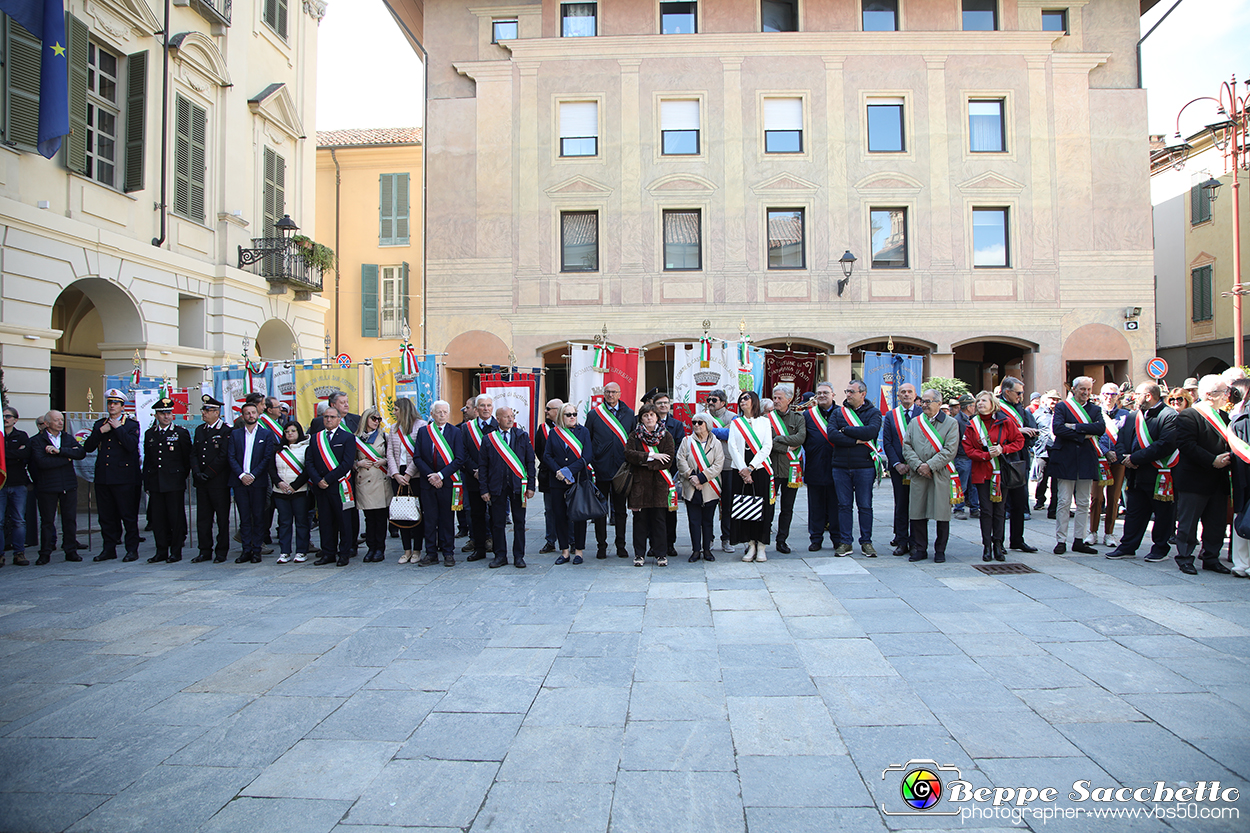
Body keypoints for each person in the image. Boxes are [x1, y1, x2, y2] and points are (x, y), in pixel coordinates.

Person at [1107, 382, 1178, 563]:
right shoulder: (1133, 416)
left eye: (1137, 394)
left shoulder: (1169, 416)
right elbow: (1121, 439)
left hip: (1158, 474)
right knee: (1134, 512)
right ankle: (1128, 546)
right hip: (1135, 474)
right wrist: (1125, 458)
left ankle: (1160, 548)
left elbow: (1165, 444)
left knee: (1162, 513)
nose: (1132, 398)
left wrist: (1135, 458)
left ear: (1148, 396)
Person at [1172, 375, 1236, 576]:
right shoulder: (1189, 416)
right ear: (1208, 395)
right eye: (1224, 392)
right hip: (1195, 478)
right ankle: (1184, 557)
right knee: (1189, 523)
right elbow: (1187, 445)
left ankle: (1211, 557)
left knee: (1216, 523)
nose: (1227, 396)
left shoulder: (1224, 417)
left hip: (1218, 480)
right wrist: (1212, 460)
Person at [962, 391, 1024, 562]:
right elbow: (968, 449)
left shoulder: (1005, 422)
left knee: (1000, 510)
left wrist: (1003, 449)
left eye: (983, 400)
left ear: (992, 403)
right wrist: (985, 455)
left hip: (1001, 473)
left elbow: (1018, 441)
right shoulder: (972, 425)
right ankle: (987, 546)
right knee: (986, 511)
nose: (980, 403)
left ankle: (998, 544)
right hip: (982, 473)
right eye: (978, 400)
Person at [902, 390, 961, 563]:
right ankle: (920, 549)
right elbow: (907, 446)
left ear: (938, 403)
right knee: (917, 512)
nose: (924, 405)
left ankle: (940, 550)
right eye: (923, 402)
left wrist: (931, 465)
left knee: (942, 513)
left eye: (928, 402)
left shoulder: (950, 423)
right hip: (919, 473)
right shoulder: (915, 422)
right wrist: (919, 466)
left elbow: (950, 449)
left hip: (940, 473)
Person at [1050, 377, 1107, 554]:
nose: (1086, 393)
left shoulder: (1095, 409)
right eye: (1082, 389)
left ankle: (1079, 540)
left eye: (1089, 389)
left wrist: (1074, 427)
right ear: (1074, 389)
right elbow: (1058, 429)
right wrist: (1084, 433)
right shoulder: (1062, 407)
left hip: (1086, 459)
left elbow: (1100, 429)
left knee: (1083, 502)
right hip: (1065, 459)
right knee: (1064, 501)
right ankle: (1061, 540)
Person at [83, 389, 142, 562]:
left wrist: (118, 428)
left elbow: (131, 446)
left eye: (116, 403)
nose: (112, 406)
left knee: (128, 515)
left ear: (123, 406)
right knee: (106, 516)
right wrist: (101, 431)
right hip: (104, 477)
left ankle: (132, 549)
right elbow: (88, 447)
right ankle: (109, 548)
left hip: (125, 478)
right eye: (110, 403)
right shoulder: (100, 424)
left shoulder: (131, 425)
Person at [479, 406, 536, 569]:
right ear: (498, 419)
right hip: (496, 486)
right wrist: (484, 489)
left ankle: (519, 556)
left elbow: (530, 462)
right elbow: (483, 466)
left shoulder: (522, 436)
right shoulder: (489, 439)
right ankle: (500, 555)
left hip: (518, 486)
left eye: (512, 416)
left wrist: (531, 485)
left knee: (519, 521)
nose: (510, 419)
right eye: (506, 417)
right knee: (497, 522)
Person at [830, 380, 882, 556]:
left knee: (865, 506)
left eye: (852, 392)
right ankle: (846, 542)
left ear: (863, 394)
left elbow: (871, 432)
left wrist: (845, 430)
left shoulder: (874, 412)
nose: (848, 395)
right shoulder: (838, 412)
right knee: (844, 505)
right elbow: (832, 435)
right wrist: (855, 440)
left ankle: (866, 542)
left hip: (864, 466)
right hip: (840, 466)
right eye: (847, 391)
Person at [586, 381, 636, 559]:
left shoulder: (629, 413)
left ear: (620, 393)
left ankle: (620, 545)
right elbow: (587, 439)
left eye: (614, 392)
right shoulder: (594, 415)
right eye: (607, 392)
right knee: (600, 510)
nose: (611, 395)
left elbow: (632, 439)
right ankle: (601, 545)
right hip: (600, 469)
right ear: (603, 394)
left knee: (621, 510)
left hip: (621, 470)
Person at [623, 403, 677, 567]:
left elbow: (668, 459)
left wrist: (645, 462)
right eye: (645, 416)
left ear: (657, 417)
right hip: (639, 486)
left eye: (652, 415)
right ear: (641, 418)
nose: (649, 418)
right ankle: (639, 554)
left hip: (660, 484)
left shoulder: (666, 436)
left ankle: (661, 554)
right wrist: (652, 456)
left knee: (659, 521)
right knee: (639, 521)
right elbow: (629, 454)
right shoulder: (634, 435)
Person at [30, 411, 85, 565]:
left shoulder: (66, 437)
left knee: (69, 520)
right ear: (47, 423)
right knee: (47, 521)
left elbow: (80, 453)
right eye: (56, 420)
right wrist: (66, 458)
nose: (60, 423)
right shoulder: (37, 441)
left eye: (61, 420)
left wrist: (60, 452)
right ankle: (45, 552)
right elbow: (42, 463)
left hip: (68, 484)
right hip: (47, 486)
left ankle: (70, 550)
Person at [142, 398, 193, 564]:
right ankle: (161, 550)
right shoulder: (150, 434)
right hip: (156, 482)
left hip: (174, 482)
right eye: (163, 414)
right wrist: (147, 482)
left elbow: (187, 459)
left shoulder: (180, 433)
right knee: (158, 519)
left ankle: (176, 551)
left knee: (175, 518)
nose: (166, 416)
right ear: (156, 415)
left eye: (169, 413)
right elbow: (148, 460)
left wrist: (180, 477)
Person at [414, 400, 464, 567]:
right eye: (439, 412)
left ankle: (448, 552)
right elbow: (417, 457)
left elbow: (459, 459)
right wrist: (431, 476)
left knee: (447, 519)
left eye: (445, 412)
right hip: (428, 482)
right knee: (429, 519)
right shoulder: (423, 432)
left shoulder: (455, 432)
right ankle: (431, 553)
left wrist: (441, 476)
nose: (442, 415)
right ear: (432, 414)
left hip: (447, 482)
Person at [229, 401, 280, 564]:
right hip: (240, 482)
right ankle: (246, 550)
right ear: (242, 416)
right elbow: (231, 456)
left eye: (253, 412)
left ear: (258, 414)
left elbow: (267, 458)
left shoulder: (265, 434)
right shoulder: (235, 434)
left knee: (258, 517)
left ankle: (257, 550)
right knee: (244, 517)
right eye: (247, 413)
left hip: (258, 482)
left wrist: (253, 475)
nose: (251, 416)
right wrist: (242, 475)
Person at [306, 407, 357, 567]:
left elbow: (347, 463)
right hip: (321, 487)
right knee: (325, 522)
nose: (328, 419)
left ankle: (344, 553)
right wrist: (317, 480)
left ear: (339, 419)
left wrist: (327, 479)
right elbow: (309, 461)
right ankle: (328, 553)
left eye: (332, 417)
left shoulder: (347, 437)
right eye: (326, 417)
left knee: (344, 521)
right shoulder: (316, 438)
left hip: (340, 486)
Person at [727, 391, 773, 563]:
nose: (742, 401)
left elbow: (767, 446)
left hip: (760, 469)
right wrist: (743, 470)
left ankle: (761, 546)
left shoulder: (764, 422)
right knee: (745, 508)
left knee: (762, 508)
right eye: (740, 399)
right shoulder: (736, 423)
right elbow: (732, 446)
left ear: (754, 401)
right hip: (740, 470)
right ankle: (750, 544)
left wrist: (752, 467)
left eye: (746, 398)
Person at [544, 403, 592, 564]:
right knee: (560, 516)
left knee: (579, 516)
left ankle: (578, 551)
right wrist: (559, 472)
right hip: (557, 482)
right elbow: (547, 456)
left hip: (578, 480)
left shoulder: (583, 431)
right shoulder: (553, 433)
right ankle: (564, 551)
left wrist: (567, 471)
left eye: (575, 414)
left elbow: (587, 456)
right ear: (561, 417)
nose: (572, 417)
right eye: (568, 414)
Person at [998, 377, 1041, 553]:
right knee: (1001, 503)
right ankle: (998, 542)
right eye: (1018, 393)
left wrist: (1031, 433)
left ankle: (1017, 539)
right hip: (1002, 460)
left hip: (1020, 459)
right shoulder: (997, 408)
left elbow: (1031, 428)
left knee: (1019, 501)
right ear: (1007, 392)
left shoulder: (1021, 410)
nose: (1021, 396)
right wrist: (1017, 431)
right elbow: (995, 432)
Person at [677, 413, 724, 562]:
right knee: (694, 521)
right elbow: (680, 460)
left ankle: (707, 550)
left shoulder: (716, 443)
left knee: (708, 521)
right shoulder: (687, 441)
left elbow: (718, 464)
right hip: (691, 487)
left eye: (700, 423)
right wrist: (692, 476)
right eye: (694, 422)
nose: (696, 425)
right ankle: (696, 550)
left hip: (710, 486)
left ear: (707, 425)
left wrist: (701, 478)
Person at [191, 396, 233, 563]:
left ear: (217, 412)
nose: (204, 413)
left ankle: (221, 551)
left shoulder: (225, 431)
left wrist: (208, 473)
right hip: (202, 482)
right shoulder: (200, 430)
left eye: (207, 410)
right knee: (203, 518)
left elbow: (223, 456)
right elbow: (194, 453)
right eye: (204, 410)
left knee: (222, 518)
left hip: (218, 481)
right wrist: (196, 472)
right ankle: (204, 550)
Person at [881, 383, 921, 557]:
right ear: (898, 396)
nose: (906, 394)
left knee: (918, 505)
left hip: (918, 468)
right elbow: (887, 442)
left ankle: (916, 541)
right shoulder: (891, 415)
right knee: (901, 504)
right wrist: (897, 463)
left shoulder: (922, 414)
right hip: (899, 468)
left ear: (915, 395)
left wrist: (915, 464)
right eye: (903, 392)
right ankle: (902, 540)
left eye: (909, 392)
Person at [386, 397, 427, 564]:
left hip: (414, 474)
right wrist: (396, 474)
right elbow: (389, 452)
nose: (394, 412)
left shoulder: (421, 426)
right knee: (401, 513)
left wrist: (409, 474)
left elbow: (420, 452)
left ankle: (417, 549)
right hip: (398, 473)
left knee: (415, 513)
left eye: (396, 409)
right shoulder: (393, 428)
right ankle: (406, 550)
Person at [1089, 383, 1130, 548]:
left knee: (1114, 497)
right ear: (1100, 395)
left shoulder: (1126, 415)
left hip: (1117, 461)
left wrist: (1117, 454)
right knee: (1096, 497)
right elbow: (1092, 436)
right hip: (1099, 459)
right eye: (1106, 394)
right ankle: (1092, 532)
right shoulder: (1094, 413)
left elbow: (1127, 437)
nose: (1109, 397)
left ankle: (1109, 533)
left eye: (1113, 394)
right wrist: (1106, 451)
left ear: (1118, 396)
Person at [766, 383, 806, 554]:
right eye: (774, 398)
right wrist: (785, 446)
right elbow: (768, 442)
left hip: (792, 470)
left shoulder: (798, 418)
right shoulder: (767, 419)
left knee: (787, 508)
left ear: (789, 400)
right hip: (773, 468)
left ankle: (782, 540)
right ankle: (763, 538)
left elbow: (801, 438)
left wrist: (780, 439)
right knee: (768, 506)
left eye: (779, 398)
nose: (776, 401)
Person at [459, 394, 498, 562]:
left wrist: (489, 472)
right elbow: (463, 453)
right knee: (477, 514)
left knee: (496, 515)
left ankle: (498, 548)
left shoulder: (499, 425)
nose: (486, 408)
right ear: (476, 409)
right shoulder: (466, 428)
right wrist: (474, 470)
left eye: (489, 405)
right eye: (482, 405)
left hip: (495, 479)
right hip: (473, 477)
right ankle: (479, 548)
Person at [802, 382, 841, 552]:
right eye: (819, 393)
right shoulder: (808, 415)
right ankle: (816, 538)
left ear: (833, 395)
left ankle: (837, 539)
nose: (822, 396)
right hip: (815, 465)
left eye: (826, 392)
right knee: (815, 505)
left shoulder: (843, 413)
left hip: (838, 466)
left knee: (836, 505)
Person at [354, 407, 392, 562]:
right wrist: (358, 463)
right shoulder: (355, 438)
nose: (376, 422)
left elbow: (393, 456)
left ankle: (380, 548)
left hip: (380, 479)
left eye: (379, 419)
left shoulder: (384, 436)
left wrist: (385, 461)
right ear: (365, 419)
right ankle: (371, 547)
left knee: (380, 518)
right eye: (373, 419)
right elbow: (349, 458)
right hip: (364, 481)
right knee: (369, 518)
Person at [701, 389, 736, 554]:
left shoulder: (733, 417)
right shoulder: (703, 417)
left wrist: (711, 431)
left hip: (728, 466)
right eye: (708, 399)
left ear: (723, 402)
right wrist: (720, 432)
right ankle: (709, 538)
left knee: (728, 505)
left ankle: (727, 538)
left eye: (714, 400)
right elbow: (699, 434)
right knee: (708, 504)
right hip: (709, 466)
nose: (710, 402)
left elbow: (732, 434)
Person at [272, 421, 312, 564]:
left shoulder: (306, 448)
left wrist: (294, 486)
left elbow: (307, 470)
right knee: (284, 522)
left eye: (293, 431)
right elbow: (271, 469)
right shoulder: (278, 449)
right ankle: (284, 552)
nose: (290, 433)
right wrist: (279, 482)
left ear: (298, 432)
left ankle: (301, 551)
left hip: (299, 491)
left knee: (301, 522)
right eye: (287, 431)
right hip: (280, 491)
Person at [654, 392, 686, 559]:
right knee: (653, 510)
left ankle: (670, 543)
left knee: (669, 510)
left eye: (666, 403)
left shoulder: (676, 425)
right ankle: (654, 544)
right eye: (659, 403)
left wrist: (667, 463)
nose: (663, 406)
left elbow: (681, 446)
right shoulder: (648, 422)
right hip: (651, 472)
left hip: (669, 472)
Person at [2, 407, 32, 567]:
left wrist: (6, 454)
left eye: (8, 416)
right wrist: (15, 454)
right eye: (3, 416)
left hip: (18, 483)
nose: (5, 418)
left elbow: (25, 454)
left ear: (15, 419)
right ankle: (1, 555)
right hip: (1, 484)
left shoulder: (21, 436)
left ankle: (19, 553)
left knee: (19, 520)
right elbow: (18, 455)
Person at [535, 399, 562, 554]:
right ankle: (550, 541)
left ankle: (571, 541)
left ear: (557, 411)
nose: (545, 411)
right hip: (549, 476)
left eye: (548, 409)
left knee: (568, 509)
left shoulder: (571, 427)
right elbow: (540, 451)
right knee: (550, 510)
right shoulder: (542, 429)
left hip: (567, 476)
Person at [951, 394, 979, 521]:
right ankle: (959, 508)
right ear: (968, 407)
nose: (974, 408)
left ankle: (974, 507)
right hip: (963, 456)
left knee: (973, 484)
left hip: (971, 456)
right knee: (961, 484)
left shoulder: (970, 419)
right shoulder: (959, 421)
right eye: (973, 406)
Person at [1033, 390, 1060, 513]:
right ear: (1046, 400)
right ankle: (1040, 500)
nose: (1054, 402)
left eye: (1057, 399)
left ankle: (1054, 506)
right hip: (1042, 451)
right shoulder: (1038, 414)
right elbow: (1033, 430)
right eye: (1052, 399)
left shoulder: (1060, 413)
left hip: (1056, 450)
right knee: (1041, 478)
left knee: (1056, 480)